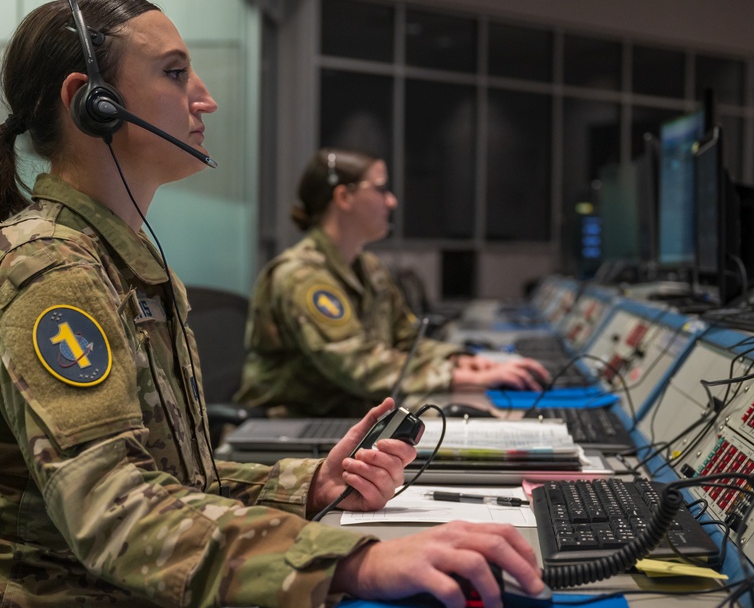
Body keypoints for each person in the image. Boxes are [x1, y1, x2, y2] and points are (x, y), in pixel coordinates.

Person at [0, 0, 544, 608]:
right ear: (89, 102)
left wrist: (309, 485)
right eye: (175, 74)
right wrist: (352, 560)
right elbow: (119, 511)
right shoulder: (51, 273)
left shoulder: (115, 261)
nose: (206, 97)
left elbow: (168, 483)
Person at [233, 148, 551, 418]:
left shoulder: (369, 268)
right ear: (344, 196)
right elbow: (359, 366)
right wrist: (462, 379)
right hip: (293, 429)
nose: (392, 201)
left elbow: (406, 341)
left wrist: (465, 361)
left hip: (350, 418)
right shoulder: (301, 276)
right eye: (380, 189)